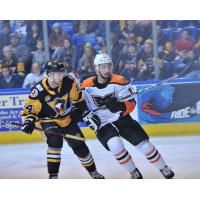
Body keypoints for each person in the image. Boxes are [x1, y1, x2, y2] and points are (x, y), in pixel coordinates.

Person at [80, 53, 175, 179]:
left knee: (144, 145)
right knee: (115, 146)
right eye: (103, 67)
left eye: (109, 66)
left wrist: (120, 106)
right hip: (102, 123)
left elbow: (131, 103)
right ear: (96, 68)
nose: (107, 70)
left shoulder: (120, 81)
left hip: (121, 118)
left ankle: (163, 167)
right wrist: (85, 115)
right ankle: (133, 171)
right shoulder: (85, 85)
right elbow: (79, 104)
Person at [21, 60, 104, 179]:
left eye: (62, 73)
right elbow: (29, 111)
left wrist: (85, 113)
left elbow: (78, 101)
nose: (62, 76)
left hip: (66, 118)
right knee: (55, 143)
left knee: (79, 145)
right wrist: (28, 122)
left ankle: (93, 172)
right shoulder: (38, 91)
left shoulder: (68, 82)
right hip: (47, 120)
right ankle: (53, 177)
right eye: (58, 74)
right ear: (49, 75)